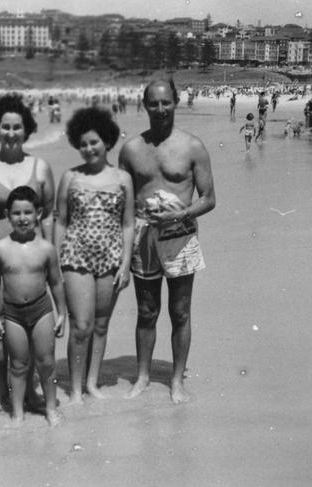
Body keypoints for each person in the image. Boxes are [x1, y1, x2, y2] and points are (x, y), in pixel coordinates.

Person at [118, 79, 216, 404]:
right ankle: (143, 377)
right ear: (144, 105)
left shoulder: (192, 147)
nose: (160, 110)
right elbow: (123, 201)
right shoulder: (131, 150)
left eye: (166, 103)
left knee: (181, 312)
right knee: (146, 311)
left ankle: (176, 381)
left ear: (176, 102)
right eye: (153, 104)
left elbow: (210, 198)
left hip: (181, 237)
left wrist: (178, 214)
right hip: (144, 237)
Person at [0, 93, 56, 412]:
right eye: (5, 127)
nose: (10, 133)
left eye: (17, 127)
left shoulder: (40, 167)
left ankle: (30, 392)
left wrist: (50, 256)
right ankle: (2, 392)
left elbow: (47, 213)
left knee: (32, 324)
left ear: (26, 129)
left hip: (32, 261)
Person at [55, 106, 135, 404]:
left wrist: (126, 263)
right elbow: (61, 221)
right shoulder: (70, 177)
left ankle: (91, 383)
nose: (89, 148)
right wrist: (56, 263)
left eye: (95, 142)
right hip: (76, 257)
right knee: (81, 326)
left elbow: (128, 223)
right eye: (84, 143)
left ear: (107, 142)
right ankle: (75, 389)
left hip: (111, 257)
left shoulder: (123, 178)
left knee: (101, 325)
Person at [0, 186, 66, 426]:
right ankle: (18, 412)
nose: (22, 218)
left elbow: (56, 282)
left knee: (46, 362)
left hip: (41, 310)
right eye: (17, 213)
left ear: (39, 213)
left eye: (28, 212)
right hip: (12, 314)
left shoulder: (46, 248)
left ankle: (51, 408)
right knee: (19, 365)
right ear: (7, 215)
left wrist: (62, 312)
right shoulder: (0, 248)